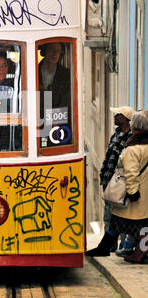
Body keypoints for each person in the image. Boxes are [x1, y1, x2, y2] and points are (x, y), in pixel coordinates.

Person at [86, 110, 148, 263]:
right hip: (144, 194)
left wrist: (133, 193)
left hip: (134, 196)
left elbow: (131, 173)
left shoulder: (133, 148)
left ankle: (137, 254)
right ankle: (109, 248)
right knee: (134, 224)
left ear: (135, 126)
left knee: (124, 222)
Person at [99, 106, 135, 255]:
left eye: (117, 115)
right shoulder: (116, 134)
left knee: (120, 212)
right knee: (108, 212)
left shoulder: (130, 137)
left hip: (120, 180)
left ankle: (119, 244)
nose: (114, 117)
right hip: (109, 180)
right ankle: (111, 243)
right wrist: (103, 175)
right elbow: (108, 157)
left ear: (124, 118)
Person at [38, 42, 71, 146]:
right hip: (38, 121)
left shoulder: (65, 74)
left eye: (58, 51)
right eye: (52, 49)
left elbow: (65, 100)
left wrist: (55, 121)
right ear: (45, 51)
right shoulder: (33, 70)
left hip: (57, 122)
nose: (55, 54)